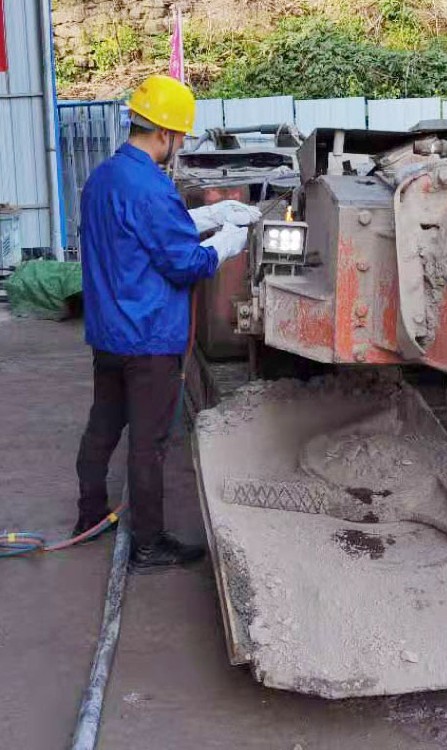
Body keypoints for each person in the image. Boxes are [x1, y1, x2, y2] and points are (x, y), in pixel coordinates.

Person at [74, 75, 260, 570]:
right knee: (149, 442)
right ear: (165, 135)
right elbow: (183, 263)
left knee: (103, 427)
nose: (178, 148)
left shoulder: (104, 177)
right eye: (180, 138)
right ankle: (149, 544)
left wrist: (210, 214)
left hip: (109, 334)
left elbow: (134, 234)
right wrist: (226, 242)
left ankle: (88, 516)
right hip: (149, 337)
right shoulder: (153, 187)